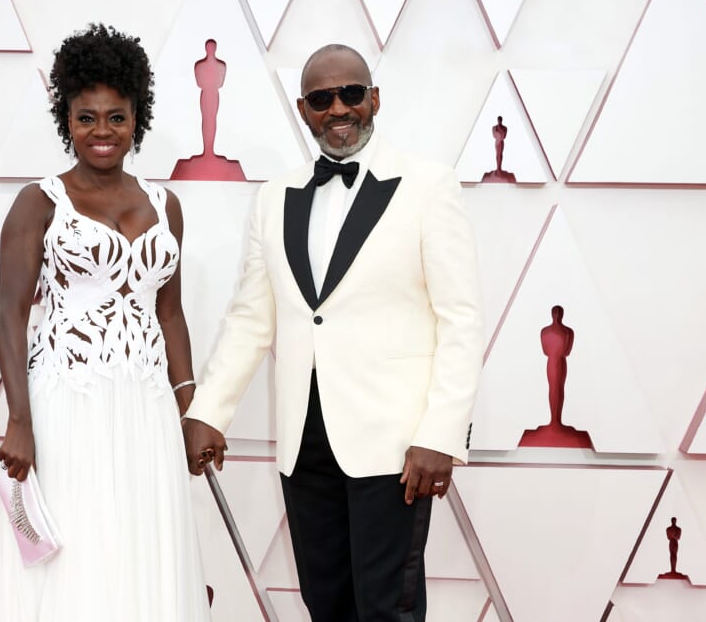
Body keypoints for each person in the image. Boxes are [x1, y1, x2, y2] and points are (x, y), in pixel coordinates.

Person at [183, 44, 483, 621]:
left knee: (387, 609)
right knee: (326, 605)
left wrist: (441, 433)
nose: (339, 108)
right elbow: (251, 317)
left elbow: (461, 318)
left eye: (351, 93)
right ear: (304, 109)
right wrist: (210, 410)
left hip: (395, 444)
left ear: (375, 99)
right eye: (322, 99)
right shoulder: (274, 198)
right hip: (305, 441)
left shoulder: (428, 185)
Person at [0, 23, 210, 622]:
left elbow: (170, 313)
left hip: (147, 406)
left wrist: (191, 412)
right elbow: (10, 318)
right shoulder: (39, 203)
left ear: (137, 118)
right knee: (80, 558)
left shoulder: (166, 206)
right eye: (86, 117)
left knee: (145, 554)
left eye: (116, 117)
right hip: (67, 404)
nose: (102, 131)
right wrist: (19, 422)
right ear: (66, 119)